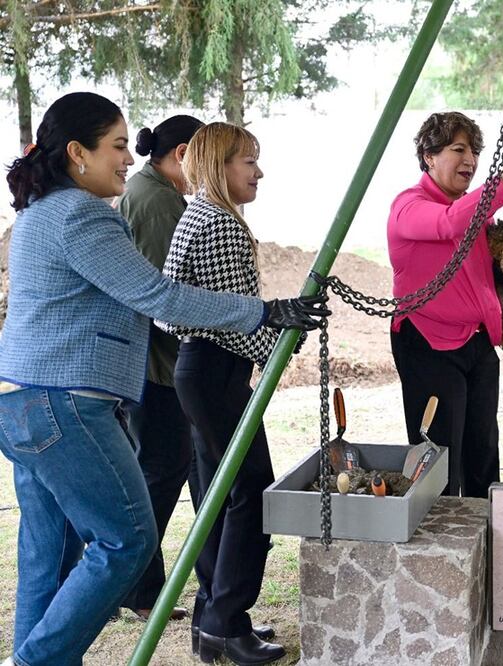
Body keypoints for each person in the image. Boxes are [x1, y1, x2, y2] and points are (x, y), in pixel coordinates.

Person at [0, 93, 327, 666]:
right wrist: (263, 312)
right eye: (119, 146)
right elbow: (156, 295)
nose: (131, 157)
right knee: (126, 541)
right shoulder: (80, 215)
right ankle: (38, 660)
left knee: (48, 550)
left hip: (21, 402)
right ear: (78, 153)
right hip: (64, 404)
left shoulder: (37, 213)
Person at [161, 121, 314, 665]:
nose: (259, 171)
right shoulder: (220, 222)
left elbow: (206, 306)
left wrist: (274, 324)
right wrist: (283, 332)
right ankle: (228, 621)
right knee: (250, 492)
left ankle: (212, 618)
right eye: (248, 161)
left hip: (197, 370)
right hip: (217, 369)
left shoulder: (196, 213)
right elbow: (232, 319)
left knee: (215, 498)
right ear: (218, 165)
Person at [388, 112, 503, 497]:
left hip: (476, 346)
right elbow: (447, 224)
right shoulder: (408, 206)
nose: (471, 160)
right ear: (428, 156)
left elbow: (482, 280)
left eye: (474, 151)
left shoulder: (473, 211)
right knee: (440, 463)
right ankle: (443, 551)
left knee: (483, 455)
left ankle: (487, 543)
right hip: (428, 345)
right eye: (458, 149)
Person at [114, 114, 204, 623]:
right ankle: (139, 587)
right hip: (158, 368)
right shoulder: (156, 201)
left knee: (180, 469)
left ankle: (149, 585)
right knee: (160, 470)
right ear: (185, 153)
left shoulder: (157, 193)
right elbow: (161, 296)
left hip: (162, 365)